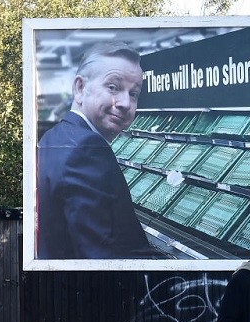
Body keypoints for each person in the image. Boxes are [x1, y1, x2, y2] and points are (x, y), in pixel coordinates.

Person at [36, 41, 158, 259]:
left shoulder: (54, 137)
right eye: (113, 87)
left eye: (134, 94)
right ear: (80, 88)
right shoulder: (88, 149)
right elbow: (104, 258)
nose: (125, 103)